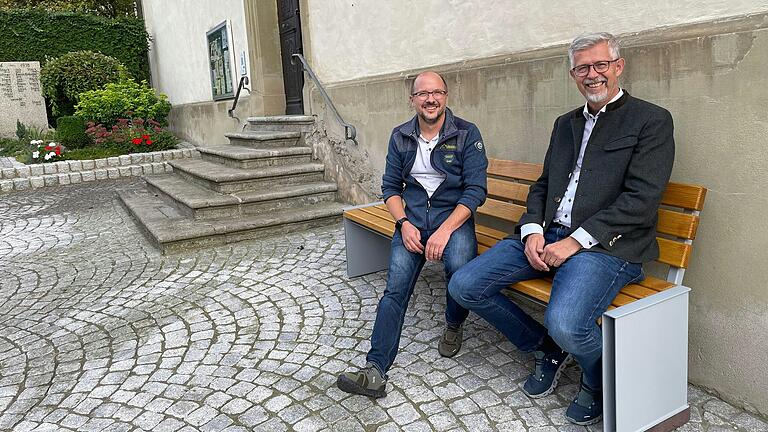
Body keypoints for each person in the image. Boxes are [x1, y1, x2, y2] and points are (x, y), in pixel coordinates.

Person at [448, 33, 674, 425]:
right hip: (548, 235)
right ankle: (544, 349)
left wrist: (575, 241)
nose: (593, 74)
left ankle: (598, 377)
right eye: (583, 67)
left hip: (606, 248)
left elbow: (642, 199)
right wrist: (532, 230)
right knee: (464, 285)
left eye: (601, 64)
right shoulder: (565, 124)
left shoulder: (650, 120)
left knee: (568, 324)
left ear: (618, 66)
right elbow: (543, 186)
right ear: (573, 74)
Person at [337, 71, 488, 398]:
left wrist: (445, 230)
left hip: (454, 220)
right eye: (423, 94)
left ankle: (453, 323)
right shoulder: (400, 136)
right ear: (413, 99)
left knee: (459, 269)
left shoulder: (466, 133)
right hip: (413, 222)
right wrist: (404, 223)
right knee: (395, 290)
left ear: (446, 96)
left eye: (437, 92)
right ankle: (375, 369)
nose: (430, 99)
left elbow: (476, 191)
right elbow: (390, 188)